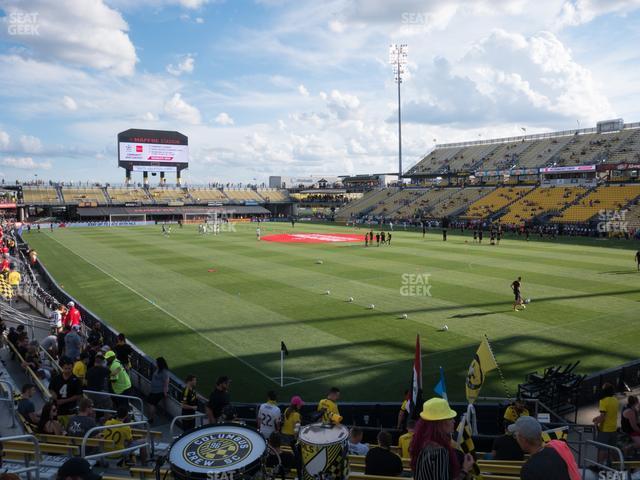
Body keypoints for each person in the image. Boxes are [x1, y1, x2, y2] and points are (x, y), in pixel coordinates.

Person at [409, 398, 474, 480]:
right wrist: (465, 469)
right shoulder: (439, 451)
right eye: (450, 418)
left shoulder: (422, 443)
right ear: (439, 424)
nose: (454, 421)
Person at [510, 416, 579, 480]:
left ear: (523, 439)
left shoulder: (529, 470)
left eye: (516, 435)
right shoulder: (557, 451)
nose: (516, 439)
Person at [49, 358, 82, 424]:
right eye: (65, 368)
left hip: (70, 410)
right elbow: (51, 389)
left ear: (72, 368)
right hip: (57, 408)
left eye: (69, 368)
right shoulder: (56, 378)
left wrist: (64, 401)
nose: (67, 370)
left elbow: (78, 395)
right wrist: (54, 395)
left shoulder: (76, 380)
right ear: (62, 368)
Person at [593, 382, 619, 464]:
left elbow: (603, 416)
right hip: (614, 428)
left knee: (602, 449)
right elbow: (609, 414)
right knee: (612, 449)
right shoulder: (615, 400)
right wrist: (597, 418)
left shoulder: (603, 401)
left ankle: (599, 466)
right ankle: (618, 466)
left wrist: (596, 423)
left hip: (604, 430)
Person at [148, 357, 170, 424]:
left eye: (156, 362)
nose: (155, 363)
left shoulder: (164, 372)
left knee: (151, 404)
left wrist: (165, 392)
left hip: (158, 391)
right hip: (154, 390)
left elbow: (166, 382)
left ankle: (151, 418)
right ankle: (163, 413)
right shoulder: (158, 369)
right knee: (152, 403)